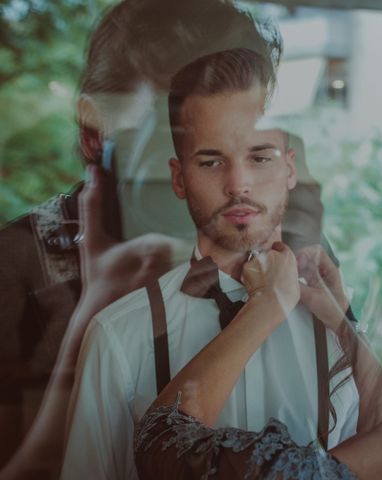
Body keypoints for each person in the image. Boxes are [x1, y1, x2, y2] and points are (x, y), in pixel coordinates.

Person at [61, 40, 382, 480]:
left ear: (289, 170)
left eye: (259, 157)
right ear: (178, 178)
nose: (238, 184)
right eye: (211, 162)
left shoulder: (341, 330)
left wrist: (343, 322)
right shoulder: (117, 337)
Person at [0, 0, 322, 477]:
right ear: (95, 138)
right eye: (175, 147)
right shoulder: (17, 269)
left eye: (251, 147)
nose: (232, 184)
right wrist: (96, 315)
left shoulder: (281, 248)